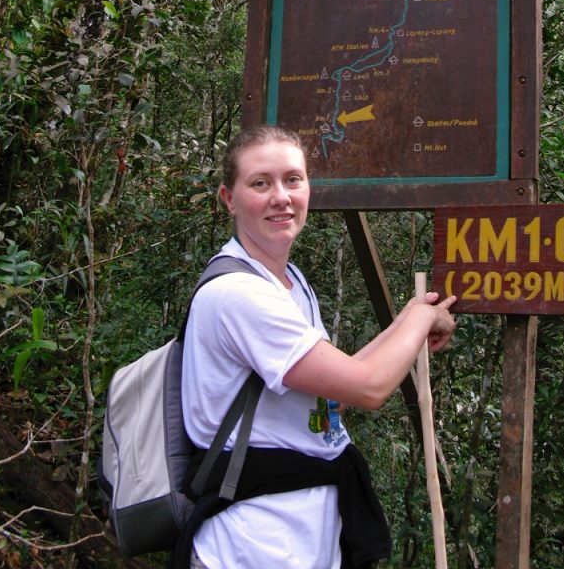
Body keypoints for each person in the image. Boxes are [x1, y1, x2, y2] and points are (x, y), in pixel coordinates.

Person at [180, 124, 456, 569]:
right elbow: (367, 388)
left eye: (293, 179)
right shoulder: (238, 294)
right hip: (253, 543)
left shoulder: (290, 283)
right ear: (228, 198)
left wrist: (409, 321)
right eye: (260, 183)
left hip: (306, 536)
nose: (281, 196)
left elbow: (330, 399)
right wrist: (423, 317)